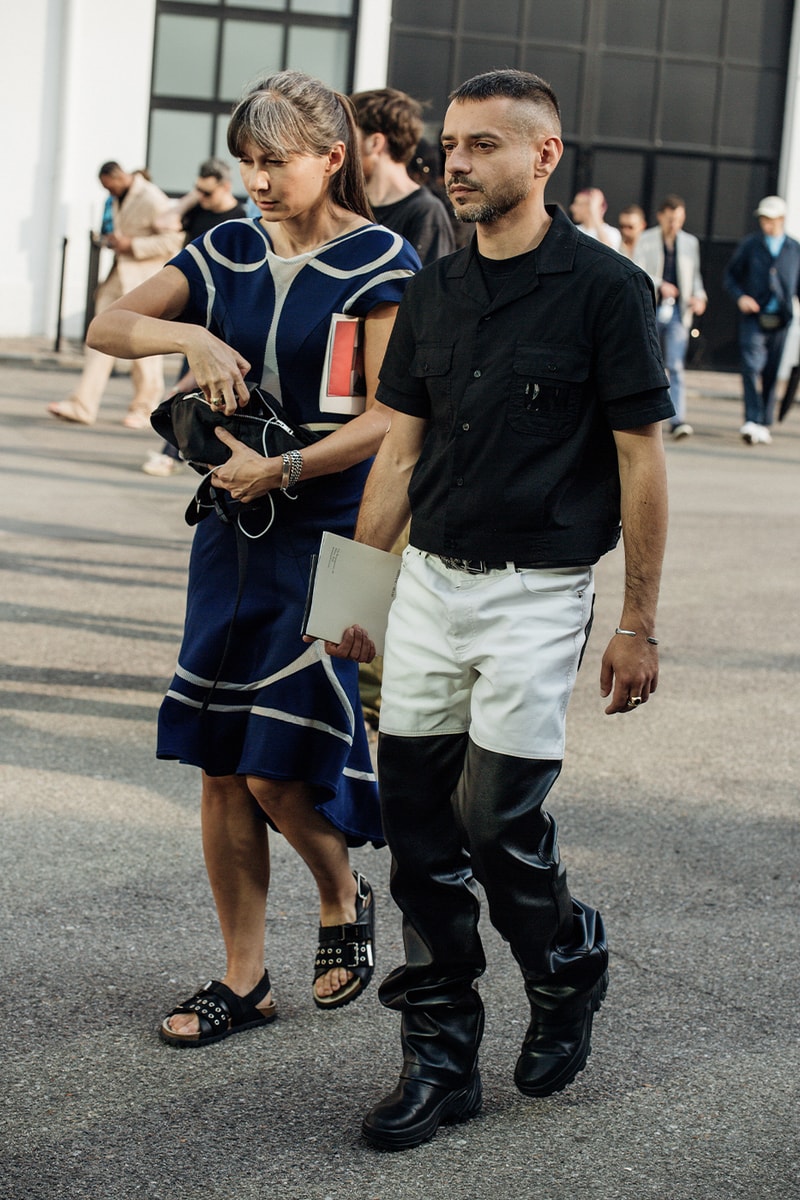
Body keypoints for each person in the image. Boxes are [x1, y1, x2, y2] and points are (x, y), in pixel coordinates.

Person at [327, 67, 672, 1151]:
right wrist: (350, 594)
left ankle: (564, 963)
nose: (455, 163)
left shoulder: (606, 291)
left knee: (493, 822)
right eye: (450, 146)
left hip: (538, 593)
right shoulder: (432, 291)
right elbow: (400, 448)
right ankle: (438, 1061)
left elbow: (638, 461)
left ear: (543, 157)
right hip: (428, 585)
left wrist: (636, 621)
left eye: (481, 145)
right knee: (418, 834)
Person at [87, 70, 419, 1044]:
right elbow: (110, 323)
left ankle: (338, 893)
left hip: (336, 535)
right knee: (220, 762)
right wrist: (188, 334)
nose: (260, 180)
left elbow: (395, 421)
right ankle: (242, 979)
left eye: (278, 161)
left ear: (334, 156)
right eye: (248, 163)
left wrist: (284, 470)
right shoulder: (225, 245)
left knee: (281, 768)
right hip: (231, 537)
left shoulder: (380, 261)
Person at [48, 162, 183, 428]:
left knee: (146, 346)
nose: (109, 192)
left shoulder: (151, 197)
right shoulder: (119, 196)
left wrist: (132, 244)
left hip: (143, 281)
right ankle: (82, 405)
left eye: (109, 186)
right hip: (117, 277)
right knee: (100, 339)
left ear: (118, 176)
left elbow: (174, 240)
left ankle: (145, 409)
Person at [143, 159, 248, 477]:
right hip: (193, 312)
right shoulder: (197, 208)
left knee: (190, 387)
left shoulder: (238, 219)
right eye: (198, 189)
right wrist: (193, 196)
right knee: (190, 384)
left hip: (221, 311)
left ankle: (173, 453)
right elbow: (163, 222)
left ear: (225, 187)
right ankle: (181, 452)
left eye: (207, 191)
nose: (202, 196)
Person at [724, 195, 800, 445]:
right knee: (751, 366)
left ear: (781, 219)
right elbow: (730, 277)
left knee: (771, 371)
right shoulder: (751, 245)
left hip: (780, 319)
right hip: (754, 317)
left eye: (770, 219)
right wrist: (741, 297)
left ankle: (764, 421)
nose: (766, 224)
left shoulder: (794, 249)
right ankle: (751, 418)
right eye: (763, 219)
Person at [350, 87, 455, 265]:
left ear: (375, 142)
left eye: (349, 137)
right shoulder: (352, 205)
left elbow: (427, 289)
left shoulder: (426, 213)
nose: (341, 148)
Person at [634, 195, 707, 439]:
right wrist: (661, 283)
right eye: (669, 219)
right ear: (660, 217)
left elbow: (695, 276)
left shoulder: (689, 243)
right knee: (648, 363)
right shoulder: (646, 239)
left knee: (675, 365)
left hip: (678, 310)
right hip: (652, 308)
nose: (673, 224)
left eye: (677, 219)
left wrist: (699, 297)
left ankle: (678, 420)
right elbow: (638, 270)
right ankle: (647, 416)